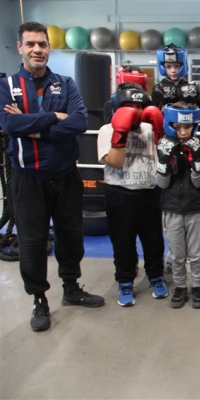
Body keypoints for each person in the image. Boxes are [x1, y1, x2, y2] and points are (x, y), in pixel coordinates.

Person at [0, 21, 105, 332]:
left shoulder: (66, 83)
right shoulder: (7, 86)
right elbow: (9, 125)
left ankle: (71, 289)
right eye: (30, 44)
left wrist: (32, 126)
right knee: (32, 243)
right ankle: (39, 300)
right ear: (20, 47)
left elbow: (78, 122)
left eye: (42, 44)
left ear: (49, 48)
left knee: (71, 236)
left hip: (65, 175)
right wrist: (51, 118)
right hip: (27, 177)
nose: (37, 49)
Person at [97, 82, 167, 307]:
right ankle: (125, 281)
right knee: (123, 241)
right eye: (128, 105)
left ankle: (156, 276)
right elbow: (116, 162)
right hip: (119, 194)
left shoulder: (148, 128)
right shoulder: (106, 130)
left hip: (149, 190)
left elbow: (159, 159)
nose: (135, 110)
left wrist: (159, 133)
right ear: (117, 106)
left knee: (154, 239)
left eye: (139, 105)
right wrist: (120, 131)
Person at [155, 103, 200, 309]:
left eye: (187, 127)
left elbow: (199, 182)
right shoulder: (163, 146)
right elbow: (162, 184)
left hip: (194, 207)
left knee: (195, 253)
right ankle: (179, 287)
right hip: (172, 207)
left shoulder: (198, 145)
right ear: (170, 126)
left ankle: (197, 286)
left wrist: (196, 162)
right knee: (177, 254)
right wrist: (165, 164)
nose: (183, 132)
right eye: (178, 127)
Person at [151, 44, 200, 110]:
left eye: (177, 66)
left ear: (183, 66)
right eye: (168, 67)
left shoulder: (193, 87)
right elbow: (154, 113)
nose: (173, 70)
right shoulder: (159, 89)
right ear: (163, 68)